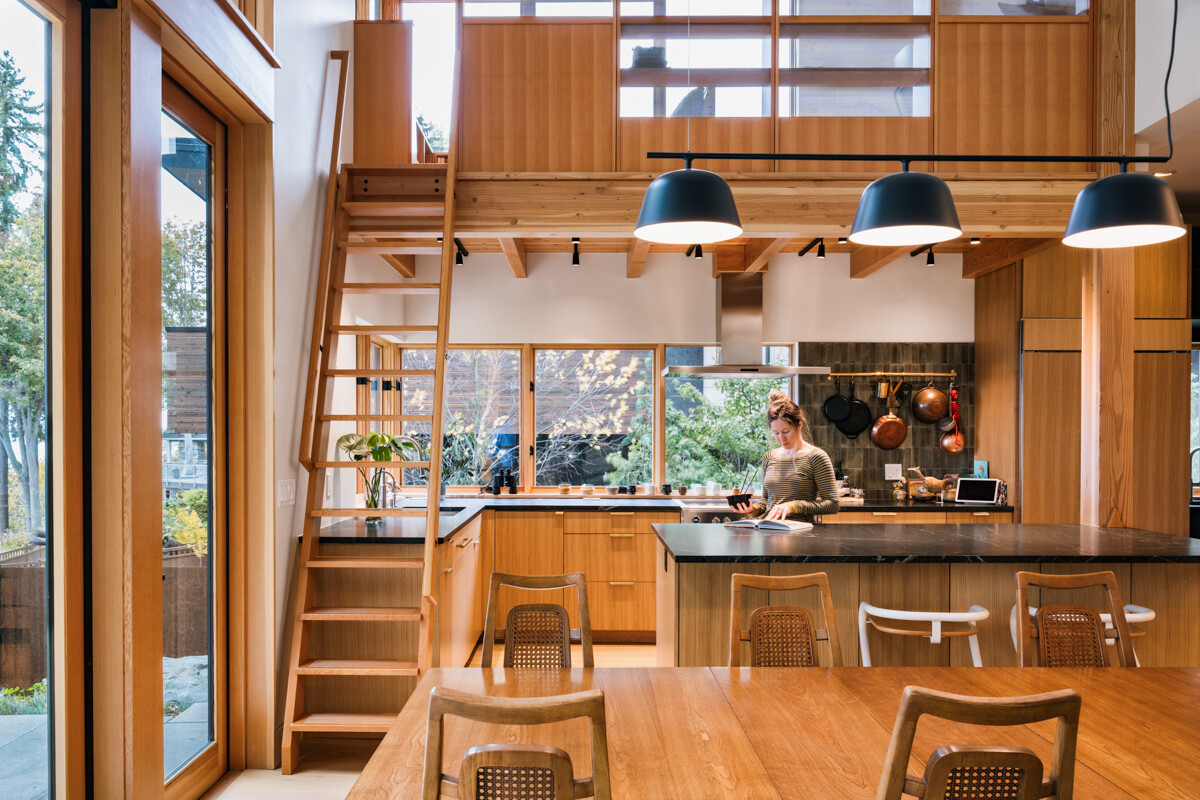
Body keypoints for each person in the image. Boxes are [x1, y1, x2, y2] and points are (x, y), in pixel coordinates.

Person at [732, 390, 839, 522]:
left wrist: (793, 506)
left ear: (799, 425)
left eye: (786, 431)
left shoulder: (816, 457)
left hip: (800, 534)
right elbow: (766, 501)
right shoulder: (769, 457)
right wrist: (752, 509)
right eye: (776, 433)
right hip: (768, 530)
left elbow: (833, 504)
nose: (781, 438)